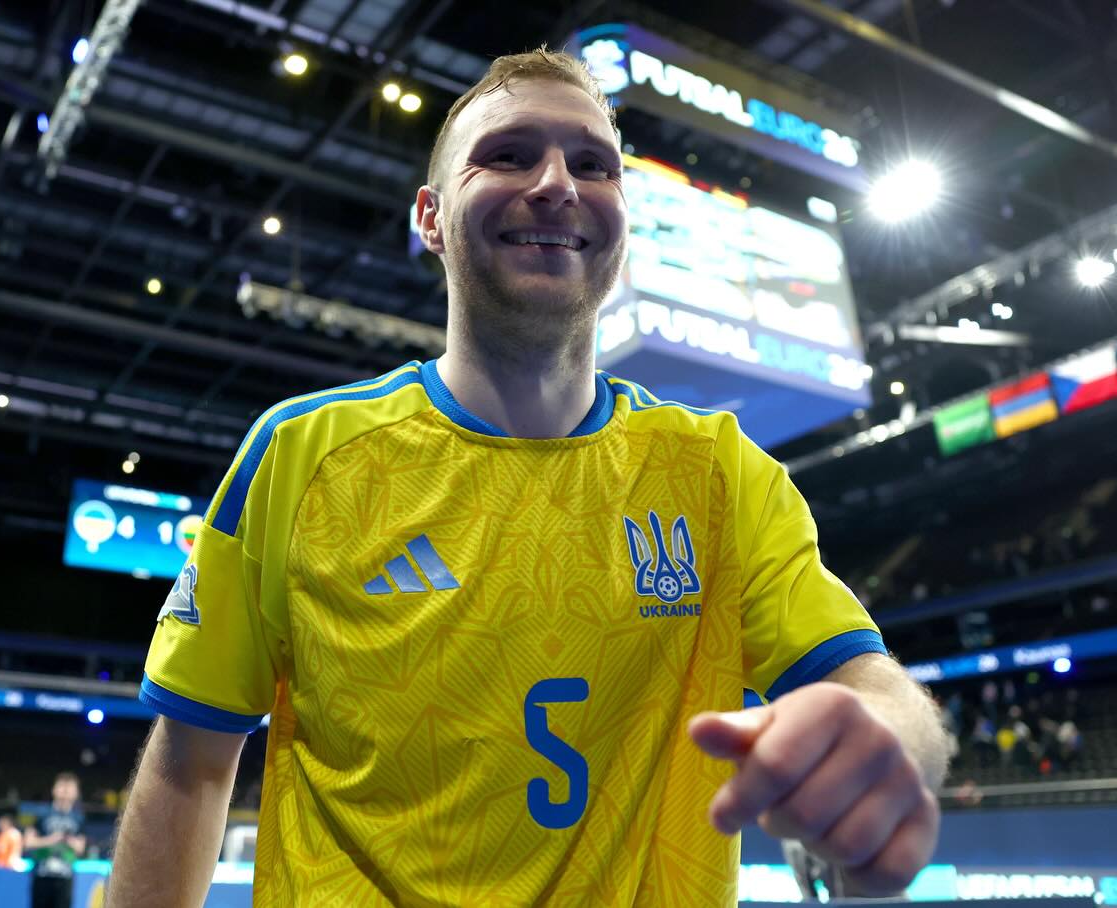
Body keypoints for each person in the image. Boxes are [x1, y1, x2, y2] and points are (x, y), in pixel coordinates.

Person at [107, 48, 948, 907]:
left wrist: (884, 740)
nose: (557, 184)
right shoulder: (304, 454)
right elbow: (191, 765)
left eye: (594, 165)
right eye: (509, 155)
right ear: (431, 218)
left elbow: (867, 681)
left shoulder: (720, 473)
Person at [24, 773, 88, 908]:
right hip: (42, 876)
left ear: (76, 793)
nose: (65, 791)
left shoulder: (79, 818)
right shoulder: (41, 814)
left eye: (69, 787)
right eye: (62, 786)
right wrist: (51, 839)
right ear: (54, 789)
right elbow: (28, 842)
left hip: (65, 878)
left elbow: (81, 848)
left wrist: (67, 840)